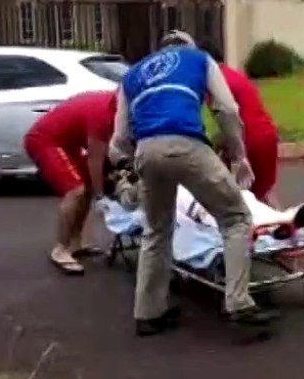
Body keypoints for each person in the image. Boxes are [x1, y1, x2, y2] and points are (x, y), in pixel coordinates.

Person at [111, 30, 276, 336]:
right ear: (189, 46)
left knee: (156, 230)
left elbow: (119, 138)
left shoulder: (133, 75)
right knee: (236, 218)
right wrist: (239, 155)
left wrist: (129, 167)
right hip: (186, 143)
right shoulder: (199, 59)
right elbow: (227, 109)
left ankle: (148, 313)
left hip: (146, 149)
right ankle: (239, 303)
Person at [23, 89, 119, 275]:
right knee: (76, 191)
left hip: (69, 142)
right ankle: (60, 249)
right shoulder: (103, 113)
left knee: (88, 187)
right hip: (45, 140)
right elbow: (95, 158)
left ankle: (75, 243)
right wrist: (101, 196)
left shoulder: (117, 105)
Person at [199, 41, 282, 206]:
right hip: (267, 134)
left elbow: (229, 120)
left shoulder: (215, 82)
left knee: (244, 199)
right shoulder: (233, 74)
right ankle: (287, 220)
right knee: (264, 193)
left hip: (249, 138)